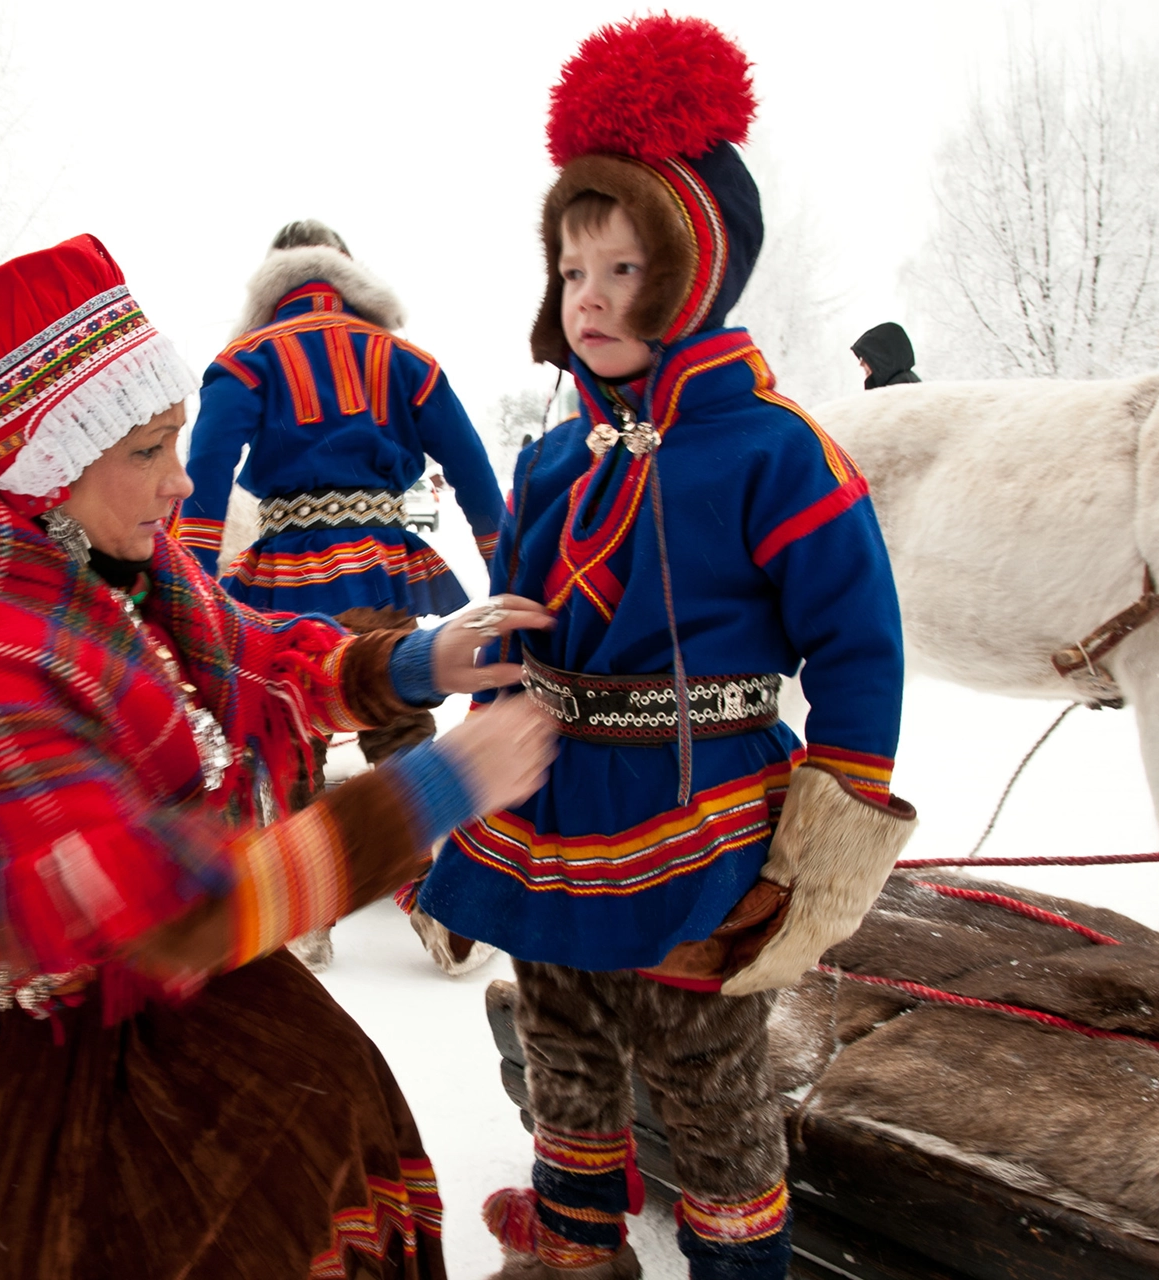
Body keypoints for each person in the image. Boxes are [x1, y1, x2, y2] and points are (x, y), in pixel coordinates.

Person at [0, 234, 559, 1280]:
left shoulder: (100, 558)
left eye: (176, 441)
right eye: (147, 450)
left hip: (136, 968)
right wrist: (444, 783)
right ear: (47, 458)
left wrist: (421, 660)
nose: (181, 482)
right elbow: (175, 910)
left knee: (319, 1119)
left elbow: (253, 661)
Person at [413, 18, 918, 1279]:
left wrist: (823, 836)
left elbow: (858, 644)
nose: (590, 297)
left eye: (624, 269)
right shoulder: (549, 449)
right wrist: (488, 666)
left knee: (705, 1078)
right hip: (553, 804)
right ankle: (575, 1251)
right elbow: (520, 607)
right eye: (573, 269)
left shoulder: (775, 452)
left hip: (702, 815)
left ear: (694, 274)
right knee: (566, 1049)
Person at [177, 219, 510, 974]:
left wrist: (189, 583)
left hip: (286, 573)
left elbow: (206, 472)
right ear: (346, 274)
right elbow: (471, 468)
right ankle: (435, 903)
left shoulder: (247, 359)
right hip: (382, 566)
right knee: (396, 713)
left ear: (274, 279)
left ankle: (303, 916)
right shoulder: (403, 360)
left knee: (293, 720)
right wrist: (507, 568)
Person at [850, 321, 920, 388]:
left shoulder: (897, 396)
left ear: (883, 359)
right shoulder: (909, 392)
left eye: (866, 358)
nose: (861, 364)